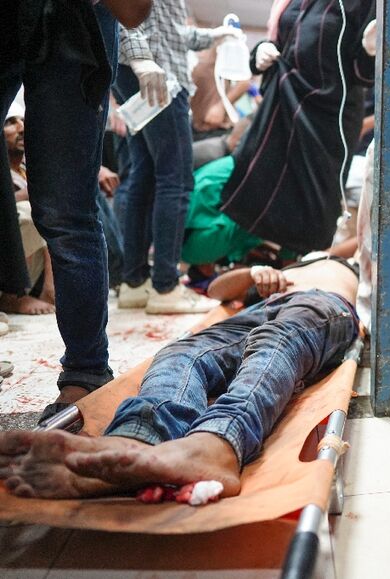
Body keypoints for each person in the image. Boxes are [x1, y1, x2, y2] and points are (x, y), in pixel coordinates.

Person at [0, 257, 361, 499]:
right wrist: (254, 273)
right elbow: (218, 290)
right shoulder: (278, 269)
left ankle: (217, 445)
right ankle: (139, 439)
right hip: (259, 308)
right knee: (181, 353)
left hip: (323, 307)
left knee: (277, 341)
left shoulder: (340, 265)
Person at [1, 0, 150, 425]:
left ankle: (86, 371)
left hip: (74, 17)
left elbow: (135, 10)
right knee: (69, 215)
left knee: (67, 212)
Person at [220, 0, 376, 255]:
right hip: (282, 105)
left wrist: (371, 50)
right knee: (252, 189)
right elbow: (282, 40)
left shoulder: (359, 4)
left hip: (326, 118)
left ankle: (300, 277)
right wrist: (261, 51)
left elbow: (363, 74)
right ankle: (251, 263)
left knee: (311, 212)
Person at [112, 3, 240, 314]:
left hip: (140, 67)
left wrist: (213, 35)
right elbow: (126, 14)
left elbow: (169, 31)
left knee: (144, 175)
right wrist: (142, 59)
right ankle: (165, 287)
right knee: (176, 179)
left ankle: (134, 282)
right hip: (158, 74)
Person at [1, 102, 55, 315]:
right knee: (26, 211)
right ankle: (12, 295)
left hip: (37, 276)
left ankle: (48, 288)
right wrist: (24, 196)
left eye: (22, 121)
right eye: (10, 122)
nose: (21, 128)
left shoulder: (27, 168)